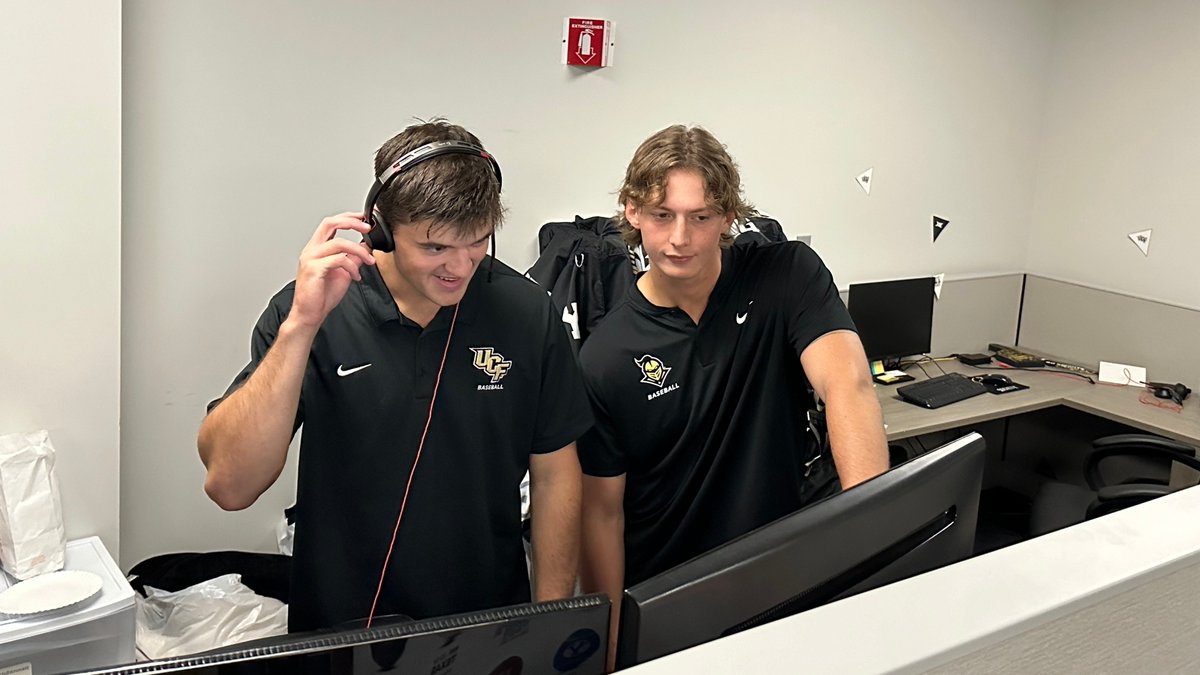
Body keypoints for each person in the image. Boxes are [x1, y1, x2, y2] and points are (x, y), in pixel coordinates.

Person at [198, 120, 591, 633]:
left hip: (486, 622)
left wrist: (548, 620)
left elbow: (556, 470)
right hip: (342, 627)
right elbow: (230, 485)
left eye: (476, 242)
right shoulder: (315, 312)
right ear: (380, 228)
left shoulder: (527, 312)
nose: (460, 266)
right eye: (435, 248)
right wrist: (301, 326)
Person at [577, 125, 889, 654]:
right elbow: (601, 513)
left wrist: (869, 543)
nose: (680, 237)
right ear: (632, 212)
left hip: (778, 579)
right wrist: (606, 648)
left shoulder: (786, 275)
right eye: (662, 215)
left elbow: (848, 386)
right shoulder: (604, 357)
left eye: (700, 217)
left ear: (726, 215)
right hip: (669, 600)